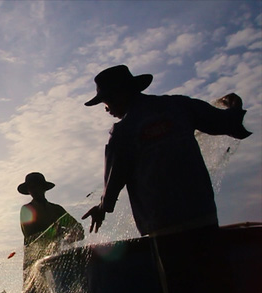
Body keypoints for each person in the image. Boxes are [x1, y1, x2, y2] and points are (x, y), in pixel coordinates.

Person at [82, 65, 252, 236]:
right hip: (203, 216)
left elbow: (114, 180)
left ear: (120, 95)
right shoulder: (179, 105)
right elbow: (228, 123)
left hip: (163, 226)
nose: (106, 108)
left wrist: (102, 208)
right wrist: (234, 104)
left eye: (107, 102)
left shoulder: (122, 132)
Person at [18, 172, 84, 293]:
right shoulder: (26, 210)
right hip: (32, 265)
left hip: (52, 264)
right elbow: (31, 235)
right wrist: (57, 231)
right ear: (29, 191)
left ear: (43, 188)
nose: (34, 190)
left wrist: (72, 233)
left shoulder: (57, 209)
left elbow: (78, 229)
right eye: (31, 188)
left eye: (37, 187)